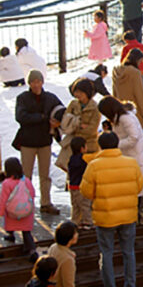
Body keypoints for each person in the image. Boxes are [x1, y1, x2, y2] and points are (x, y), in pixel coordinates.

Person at [80, 131, 143, 287]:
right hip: (128, 215)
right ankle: (130, 283)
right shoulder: (131, 163)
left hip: (105, 216)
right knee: (128, 252)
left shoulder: (94, 166)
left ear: (100, 146)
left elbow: (86, 192)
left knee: (106, 253)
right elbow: (139, 186)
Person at [14, 69, 63, 215]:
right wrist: (42, 118)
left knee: (45, 174)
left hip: (44, 141)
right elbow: (21, 116)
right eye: (33, 82)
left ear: (42, 82)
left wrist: (57, 122)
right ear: (29, 83)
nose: (36, 85)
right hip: (27, 141)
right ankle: (26, 202)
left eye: (38, 81)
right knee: (26, 175)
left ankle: (46, 202)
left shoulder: (50, 97)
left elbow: (61, 111)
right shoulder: (22, 98)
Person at [97, 96, 143, 196]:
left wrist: (116, 144)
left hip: (135, 155)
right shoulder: (122, 115)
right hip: (134, 153)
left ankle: (137, 209)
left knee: (137, 185)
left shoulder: (124, 118)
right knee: (137, 184)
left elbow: (133, 137)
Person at [56, 78, 100, 172]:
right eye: (76, 92)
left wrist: (75, 126)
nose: (77, 94)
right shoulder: (73, 104)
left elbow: (92, 129)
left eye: (80, 92)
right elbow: (65, 122)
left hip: (89, 145)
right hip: (73, 145)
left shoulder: (95, 107)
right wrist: (79, 125)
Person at [0, 157, 37, 261]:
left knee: (10, 224)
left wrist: (1, 211)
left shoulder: (7, 183)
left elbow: (3, 199)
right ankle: (31, 250)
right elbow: (32, 194)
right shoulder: (26, 180)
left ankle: (11, 234)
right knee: (26, 232)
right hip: (25, 211)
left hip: (12, 213)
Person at [113, 48, 143, 132]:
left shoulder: (116, 71)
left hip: (120, 110)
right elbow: (139, 94)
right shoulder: (135, 73)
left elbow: (114, 93)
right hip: (135, 110)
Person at [68, 137, 92, 228]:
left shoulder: (71, 158)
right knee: (85, 206)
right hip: (81, 187)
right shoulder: (84, 159)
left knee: (76, 206)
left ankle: (75, 222)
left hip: (72, 186)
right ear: (82, 148)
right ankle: (87, 222)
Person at [47, 221, 78, 287]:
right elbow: (68, 284)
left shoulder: (53, 246)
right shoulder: (68, 260)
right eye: (75, 233)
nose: (77, 234)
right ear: (70, 238)